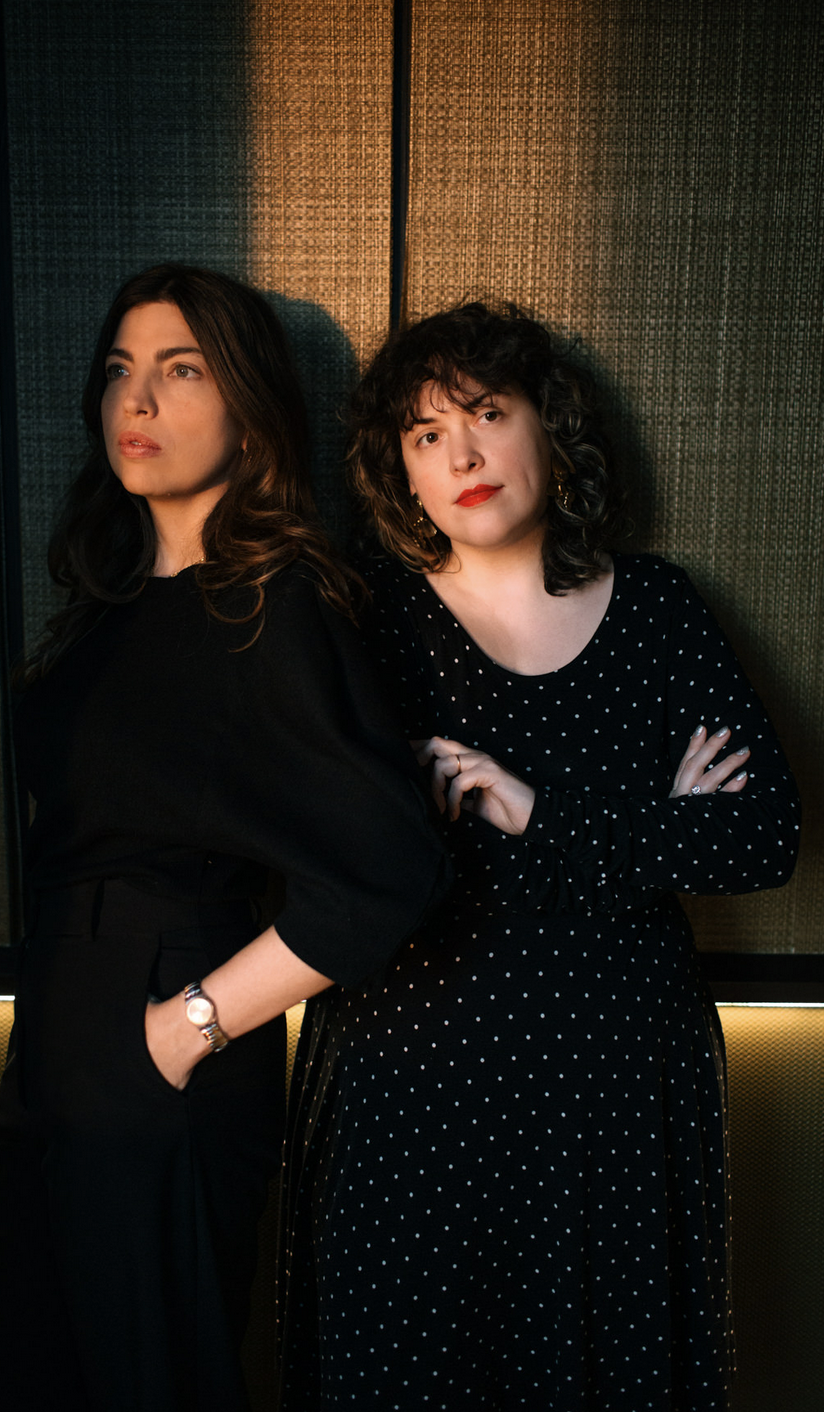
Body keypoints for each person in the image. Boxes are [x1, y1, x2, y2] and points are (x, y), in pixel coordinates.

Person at [280, 300, 800, 1409]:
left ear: (547, 428)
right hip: (415, 1081)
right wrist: (651, 826)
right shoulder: (366, 619)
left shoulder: (658, 608)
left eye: (487, 412)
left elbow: (761, 834)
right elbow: (327, 847)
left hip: (618, 1092)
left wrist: (533, 811)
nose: (462, 455)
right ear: (401, 473)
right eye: (427, 434)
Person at [0, 263, 446, 1412]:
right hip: (55, 1035)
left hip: (163, 1032)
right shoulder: (104, 612)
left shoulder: (274, 604)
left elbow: (390, 868)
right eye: (119, 370)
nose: (136, 399)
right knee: (32, 1375)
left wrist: (186, 1027)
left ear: (248, 407)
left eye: (180, 370)